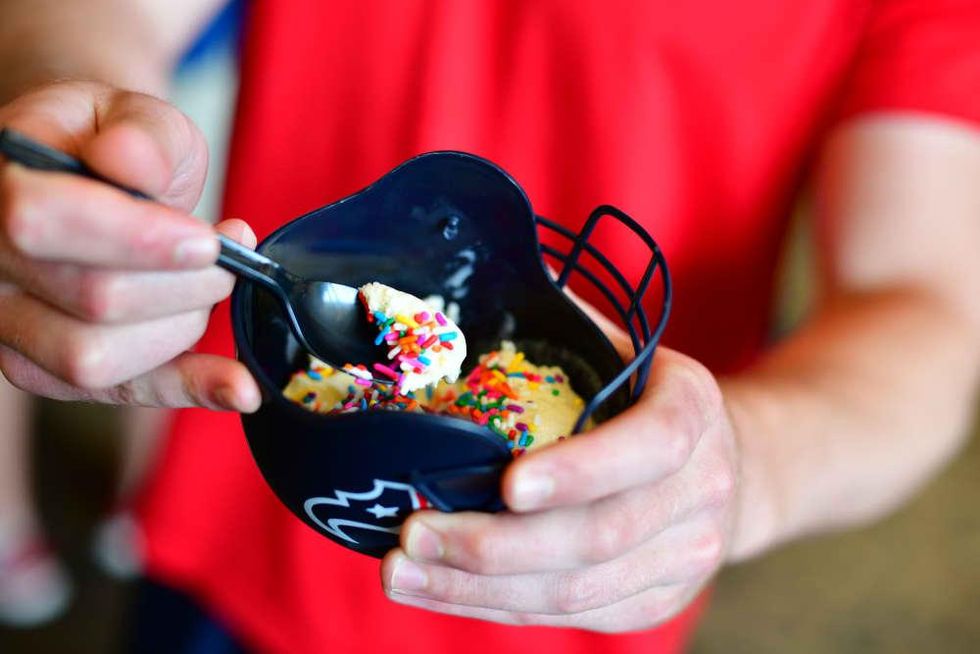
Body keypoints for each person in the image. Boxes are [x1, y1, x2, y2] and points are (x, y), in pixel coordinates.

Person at [0, 1, 978, 652]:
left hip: (574, 582)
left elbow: (920, 309)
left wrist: (739, 468)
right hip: (257, 502)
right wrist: (72, 93)